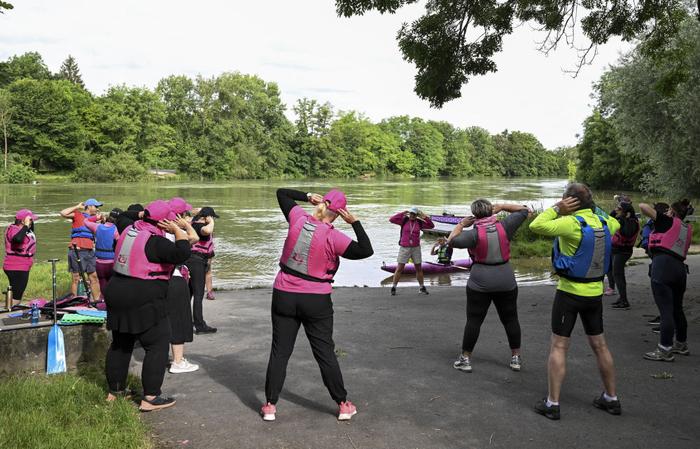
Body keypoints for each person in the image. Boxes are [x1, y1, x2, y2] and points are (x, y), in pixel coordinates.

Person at [261, 188, 373, 422]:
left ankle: (270, 405)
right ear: (340, 213)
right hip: (316, 300)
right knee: (324, 352)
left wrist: (308, 195)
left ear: (321, 203)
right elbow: (365, 250)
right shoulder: (335, 238)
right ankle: (343, 404)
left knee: (280, 351)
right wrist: (355, 223)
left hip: (284, 294)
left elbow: (282, 193)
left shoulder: (297, 218)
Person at [529, 183, 621, 420]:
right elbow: (617, 223)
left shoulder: (569, 223)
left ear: (569, 201)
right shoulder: (605, 223)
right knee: (600, 345)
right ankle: (611, 398)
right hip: (595, 295)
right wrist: (592, 206)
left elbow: (536, 225)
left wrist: (556, 208)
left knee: (559, 346)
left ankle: (552, 403)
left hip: (569, 293)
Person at [104, 200, 191, 411]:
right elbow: (182, 253)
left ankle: (115, 392)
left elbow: (125, 215)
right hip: (142, 296)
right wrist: (178, 231)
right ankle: (151, 397)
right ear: (163, 222)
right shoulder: (156, 242)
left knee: (121, 343)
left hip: (116, 290)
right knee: (158, 343)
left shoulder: (127, 229)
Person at [447, 200, 530, 373]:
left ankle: (465, 359)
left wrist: (462, 224)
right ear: (491, 211)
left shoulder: (473, 234)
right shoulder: (506, 225)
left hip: (480, 282)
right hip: (506, 280)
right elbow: (524, 210)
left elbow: (451, 241)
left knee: (474, 320)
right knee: (510, 319)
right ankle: (516, 358)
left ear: (474, 215)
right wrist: (502, 206)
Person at [639, 199, 692, 362]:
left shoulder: (666, 221)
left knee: (665, 311)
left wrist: (660, 215)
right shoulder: (686, 228)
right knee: (677, 308)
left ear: (672, 213)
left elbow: (642, 207)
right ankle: (681, 344)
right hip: (680, 269)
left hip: (663, 267)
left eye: (668, 210)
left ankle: (664, 349)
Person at [166, 197, 201, 374]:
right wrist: (186, 225)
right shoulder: (176, 231)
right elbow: (194, 238)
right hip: (175, 278)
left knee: (164, 319)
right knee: (178, 320)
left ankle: (164, 357)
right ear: (179, 215)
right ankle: (178, 362)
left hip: (161, 279)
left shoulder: (159, 228)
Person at [59, 199, 102, 300]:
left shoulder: (95, 219)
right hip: (77, 251)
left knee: (94, 277)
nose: (98, 209)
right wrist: (77, 207)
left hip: (90, 251)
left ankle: (96, 301)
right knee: (76, 278)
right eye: (96, 206)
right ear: (89, 206)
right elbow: (63, 213)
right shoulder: (77, 215)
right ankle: (75, 301)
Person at [186, 206, 218, 334]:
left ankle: (185, 321)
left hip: (192, 261)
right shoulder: (200, 227)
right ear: (206, 218)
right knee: (198, 295)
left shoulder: (192, 224)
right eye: (212, 217)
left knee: (189, 293)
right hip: (197, 262)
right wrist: (211, 221)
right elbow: (207, 230)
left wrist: (199, 212)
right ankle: (199, 325)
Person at [388, 207, 434, 295]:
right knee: (400, 268)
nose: (412, 215)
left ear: (417, 215)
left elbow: (431, 226)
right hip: (404, 247)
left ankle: (421, 287)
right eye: (411, 214)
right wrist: (402, 213)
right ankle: (394, 287)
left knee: (418, 268)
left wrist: (425, 217)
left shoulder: (419, 223)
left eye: (414, 214)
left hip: (416, 248)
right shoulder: (404, 220)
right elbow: (391, 219)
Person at [85, 208, 121, 300]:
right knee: (113, 286)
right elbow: (120, 243)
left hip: (99, 264)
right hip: (111, 263)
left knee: (102, 284)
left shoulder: (97, 227)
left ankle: (103, 304)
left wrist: (97, 218)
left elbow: (85, 221)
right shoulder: (115, 230)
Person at [609, 202, 640, 310]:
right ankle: (622, 298)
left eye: (619, 208)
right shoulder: (621, 219)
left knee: (618, 274)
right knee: (615, 273)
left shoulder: (631, 222)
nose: (617, 210)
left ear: (626, 212)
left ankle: (624, 300)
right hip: (616, 250)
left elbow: (627, 233)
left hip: (623, 252)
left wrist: (624, 219)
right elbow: (609, 218)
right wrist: (615, 212)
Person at [3, 209, 37, 307]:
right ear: (23, 221)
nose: (32, 222)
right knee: (16, 297)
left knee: (16, 294)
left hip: (22, 266)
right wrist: (25, 225)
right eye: (30, 220)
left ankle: (9, 309)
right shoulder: (14, 229)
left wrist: (27, 226)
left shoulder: (25, 230)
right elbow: (17, 239)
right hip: (16, 266)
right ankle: (8, 312)